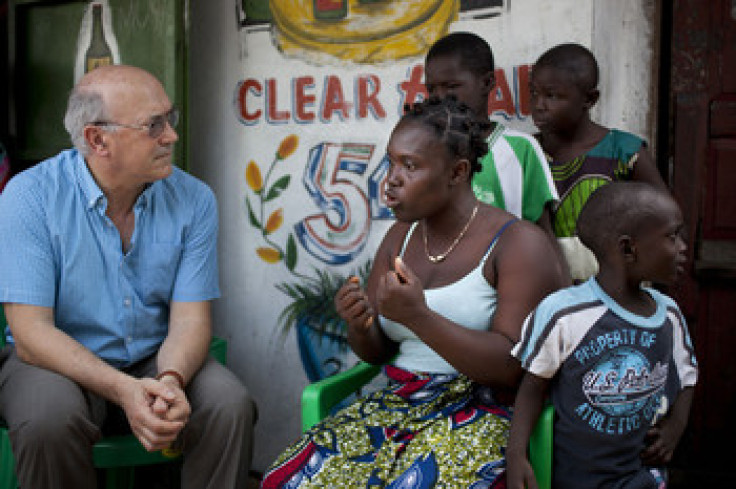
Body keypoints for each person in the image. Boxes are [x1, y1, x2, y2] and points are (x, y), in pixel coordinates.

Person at [260, 96, 566, 487]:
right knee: (289, 479)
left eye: (410, 165)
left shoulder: (518, 243)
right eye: (390, 161)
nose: (391, 179)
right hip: (400, 402)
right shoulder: (399, 238)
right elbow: (379, 351)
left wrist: (419, 317)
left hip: (484, 409)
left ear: (457, 172)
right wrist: (358, 323)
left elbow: (512, 368)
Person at [0, 65, 256, 489]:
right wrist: (123, 389)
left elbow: (191, 320)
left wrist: (169, 380)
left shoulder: (193, 199)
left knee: (229, 405)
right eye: (153, 125)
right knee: (48, 420)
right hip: (54, 362)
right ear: (98, 140)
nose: (171, 136)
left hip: (153, 356)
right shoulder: (30, 197)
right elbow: (30, 334)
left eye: (168, 119)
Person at [507, 182, 698, 489]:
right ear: (627, 248)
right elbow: (531, 388)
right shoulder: (564, 312)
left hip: (643, 474)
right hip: (575, 477)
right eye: (672, 236)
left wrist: (675, 427)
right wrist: (516, 457)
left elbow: (688, 377)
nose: (682, 247)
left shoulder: (669, 314)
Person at [529, 42, 669, 282]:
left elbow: (665, 218)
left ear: (589, 99)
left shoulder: (623, 151)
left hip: (615, 290)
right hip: (546, 286)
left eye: (551, 96)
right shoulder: (528, 151)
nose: (538, 105)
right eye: (534, 93)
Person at [423, 32, 559, 237]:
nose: (440, 98)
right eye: (431, 89)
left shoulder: (521, 148)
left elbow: (543, 232)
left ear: (487, 83)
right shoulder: (425, 149)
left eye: (451, 87)